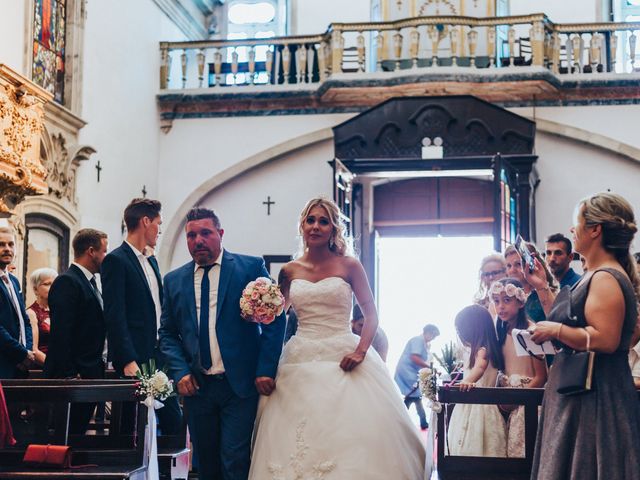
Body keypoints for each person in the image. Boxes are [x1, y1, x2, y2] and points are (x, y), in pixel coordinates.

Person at [249, 197, 425, 480]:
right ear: (302, 226)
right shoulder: (289, 271)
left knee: (351, 432)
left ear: (333, 229)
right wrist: (256, 311)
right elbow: (277, 316)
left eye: (323, 221)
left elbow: (371, 315)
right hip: (300, 357)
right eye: (311, 220)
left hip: (342, 352)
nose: (316, 226)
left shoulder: (349, 266)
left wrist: (361, 351)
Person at [159, 207, 286, 480]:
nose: (198, 240)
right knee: (206, 463)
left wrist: (265, 368)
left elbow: (276, 320)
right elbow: (168, 333)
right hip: (198, 387)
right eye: (191, 235)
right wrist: (180, 372)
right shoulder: (173, 281)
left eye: (205, 233)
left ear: (220, 233)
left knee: (235, 460)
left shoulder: (249, 268)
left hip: (238, 385)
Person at [528, 192, 640, 480]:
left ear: (595, 230)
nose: (571, 230)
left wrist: (555, 330)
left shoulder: (605, 277)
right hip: (580, 393)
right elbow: (575, 320)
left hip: (596, 399)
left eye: (576, 223)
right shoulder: (598, 274)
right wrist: (543, 286)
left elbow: (606, 339)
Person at [102, 198, 181, 435]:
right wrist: (127, 360)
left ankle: (167, 472)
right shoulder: (116, 260)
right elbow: (115, 314)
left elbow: (159, 306)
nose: (160, 229)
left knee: (172, 422)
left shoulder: (152, 261)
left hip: (159, 353)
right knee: (132, 427)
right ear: (145, 221)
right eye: (159, 223)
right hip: (135, 358)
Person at [44, 229, 108, 434]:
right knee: (68, 435)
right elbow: (61, 334)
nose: (106, 257)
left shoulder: (90, 283)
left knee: (78, 434)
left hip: (89, 371)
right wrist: (71, 374)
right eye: (104, 251)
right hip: (73, 376)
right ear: (91, 251)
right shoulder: (68, 282)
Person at [491, 278, 546, 458]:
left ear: (521, 302)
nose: (501, 307)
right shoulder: (500, 332)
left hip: (526, 403)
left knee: (522, 455)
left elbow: (541, 377)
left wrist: (517, 400)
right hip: (506, 401)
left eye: (507, 300)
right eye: (497, 301)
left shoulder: (530, 332)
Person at [447, 304, 506, 457]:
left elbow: (480, 368)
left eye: (461, 330)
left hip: (479, 406)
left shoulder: (483, 350)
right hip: (470, 404)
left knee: (478, 443)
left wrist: (468, 380)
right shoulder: (477, 349)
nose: (460, 334)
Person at [0, 227, 34, 379]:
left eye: (11, 244)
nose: (7, 249)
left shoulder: (14, 281)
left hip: (20, 366)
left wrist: (26, 352)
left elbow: (24, 320)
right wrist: (21, 353)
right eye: (1, 245)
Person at [394, 324, 440, 430]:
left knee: (413, 396)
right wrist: (431, 368)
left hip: (410, 371)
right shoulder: (418, 340)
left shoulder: (422, 343)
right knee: (414, 395)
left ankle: (409, 420)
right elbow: (415, 357)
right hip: (407, 371)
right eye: (433, 336)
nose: (433, 339)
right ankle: (412, 421)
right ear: (428, 332)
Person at [26, 268, 58, 367]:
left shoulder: (59, 311)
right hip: (42, 370)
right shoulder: (31, 313)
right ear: (36, 289)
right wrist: (54, 367)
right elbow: (34, 350)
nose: (52, 287)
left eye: (54, 284)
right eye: (47, 284)